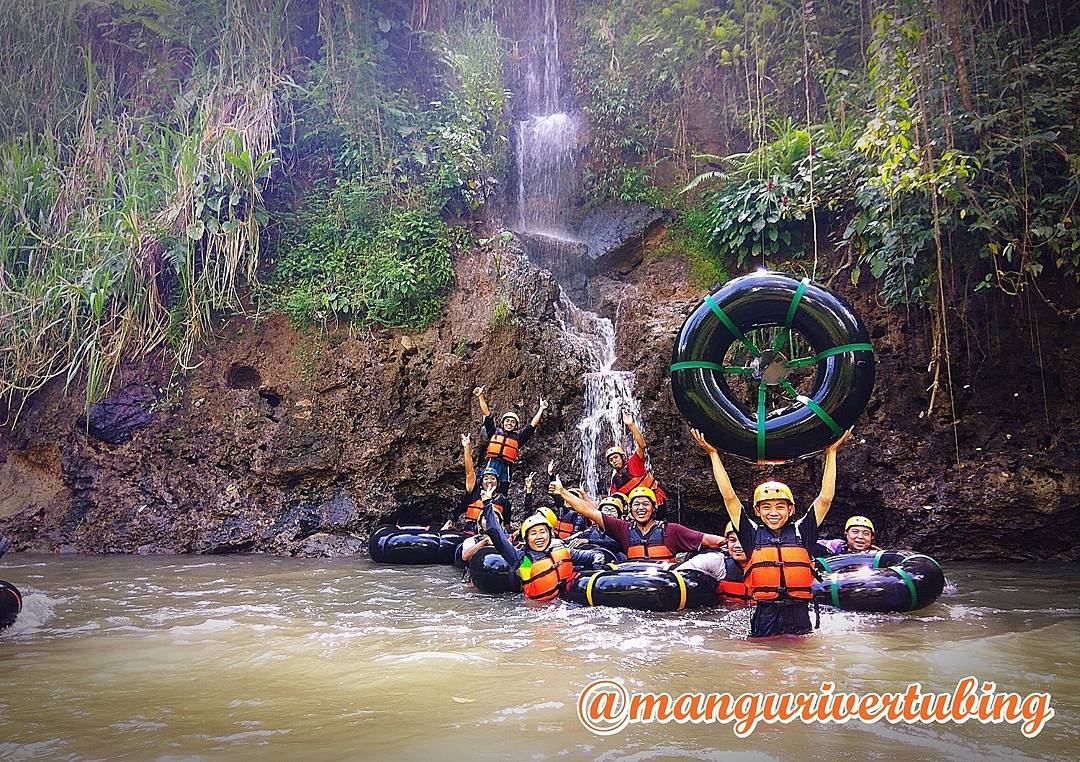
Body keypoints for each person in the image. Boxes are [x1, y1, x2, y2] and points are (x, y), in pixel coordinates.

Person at [691, 426, 852, 637]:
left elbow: (825, 498)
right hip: (765, 615)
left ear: (791, 509)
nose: (773, 513)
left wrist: (831, 454)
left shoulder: (803, 530)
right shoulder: (750, 535)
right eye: (766, 507)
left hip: (799, 614)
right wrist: (713, 454)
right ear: (757, 511)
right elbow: (729, 497)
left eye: (780, 507)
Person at [551, 478, 725, 562]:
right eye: (636, 504)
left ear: (653, 508)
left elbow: (707, 539)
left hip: (665, 582)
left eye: (645, 504)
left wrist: (733, 543)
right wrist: (563, 492)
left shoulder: (671, 530)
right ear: (630, 509)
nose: (641, 508)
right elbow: (590, 511)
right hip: (633, 580)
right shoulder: (623, 528)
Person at [482, 488, 608, 603]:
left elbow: (594, 555)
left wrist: (598, 564)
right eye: (533, 533)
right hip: (540, 611)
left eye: (542, 532)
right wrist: (488, 504)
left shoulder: (560, 550)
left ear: (549, 534)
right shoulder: (523, 559)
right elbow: (496, 534)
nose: (539, 537)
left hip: (568, 605)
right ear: (526, 538)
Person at [474, 386, 547, 492]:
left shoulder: (518, 438)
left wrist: (541, 409)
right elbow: (487, 414)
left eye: (512, 422)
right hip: (492, 463)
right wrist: (480, 396)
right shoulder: (494, 432)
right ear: (503, 422)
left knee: (502, 492)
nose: (509, 423)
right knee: (484, 488)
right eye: (507, 421)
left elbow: (532, 426)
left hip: (506, 467)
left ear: (515, 425)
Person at [444, 433, 510, 533]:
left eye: (493, 478)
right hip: (471, 532)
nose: (489, 481)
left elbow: (506, 525)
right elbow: (469, 471)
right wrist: (467, 448)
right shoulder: (474, 492)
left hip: (492, 535)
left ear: (498, 482)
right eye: (486, 478)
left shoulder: (503, 501)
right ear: (481, 481)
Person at [606, 407, 667, 506]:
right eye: (611, 460)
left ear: (622, 457)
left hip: (656, 501)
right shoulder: (615, 480)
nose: (614, 461)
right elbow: (615, 498)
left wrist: (631, 425)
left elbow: (642, 445)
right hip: (637, 507)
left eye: (616, 457)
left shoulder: (633, 463)